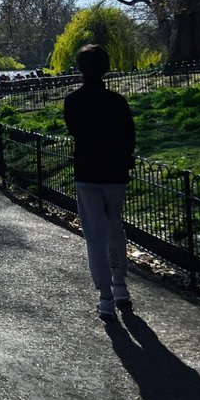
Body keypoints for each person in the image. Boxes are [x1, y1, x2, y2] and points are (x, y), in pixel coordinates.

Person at [63, 45, 137, 321]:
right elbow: (129, 135)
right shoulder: (117, 102)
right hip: (115, 172)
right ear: (106, 68)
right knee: (115, 228)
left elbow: (74, 130)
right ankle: (120, 286)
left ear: (80, 69)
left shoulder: (73, 102)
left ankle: (105, 296)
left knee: (95, 236)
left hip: (88, 171)